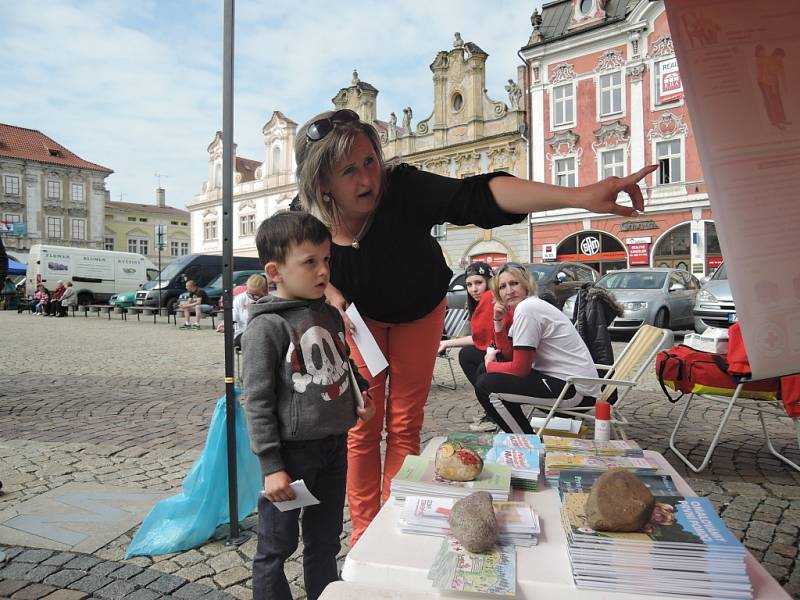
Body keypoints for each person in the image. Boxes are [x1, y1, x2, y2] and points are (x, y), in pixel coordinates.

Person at [293, 108, 655, 543]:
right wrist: (326, 288)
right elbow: (285, 263)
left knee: (405, 422)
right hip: (359, 321)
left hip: (419, 311)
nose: (367, 179)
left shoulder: (402, 186)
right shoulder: (305, 217)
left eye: (370, 161)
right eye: (348, 170)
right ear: (321, 181)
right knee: (362, 424)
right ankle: (366, 531)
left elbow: (478, 195)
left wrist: (578, 195)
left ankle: (396, 517)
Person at [241, 211, 375, 600]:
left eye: (326, 260)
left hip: (334, 447)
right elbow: (259, 402)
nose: (322, 271)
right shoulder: (265, 328)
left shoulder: (328, 313)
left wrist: (359, 394)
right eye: (310, 262)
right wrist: (272, 468)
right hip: (291, 457)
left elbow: (343, 364)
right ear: (275, 270)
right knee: (276, 547)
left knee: (326, 540)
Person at [475, 264, 601, 433]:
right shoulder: (528, 307)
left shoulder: (528, 308)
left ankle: (527, 444)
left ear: (526, 285)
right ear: (498, 294)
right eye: (502, 287)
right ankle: (519, 430)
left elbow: (520, 369)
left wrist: (490, 364)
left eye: (514, 283)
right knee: (485, 372)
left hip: (576, 390)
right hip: (565, 382)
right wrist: (498, 321)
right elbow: (508, 356)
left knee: (486, 386)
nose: (509, 291)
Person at [436, 261, 512, 432]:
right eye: (469, 284)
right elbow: (480, 339)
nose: (473, 289)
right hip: (504, 352)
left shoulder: (490, 299)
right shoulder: (484, 301)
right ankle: (493, 405)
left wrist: (446, 343)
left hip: (508, 355)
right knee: (468, 355)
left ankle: (494, 405)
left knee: (469, 357)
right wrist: (447, 342)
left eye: (478, 283)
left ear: (489, 281)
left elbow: (481, 340)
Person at [232, 273, 268, 346]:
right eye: (249, 293)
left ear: (264, 291)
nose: (252, 297)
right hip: (243, 333)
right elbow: (233, 319)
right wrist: (225, 325)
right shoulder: (239, 299)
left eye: (256, 295)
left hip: (263, 333)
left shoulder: (269, 300)